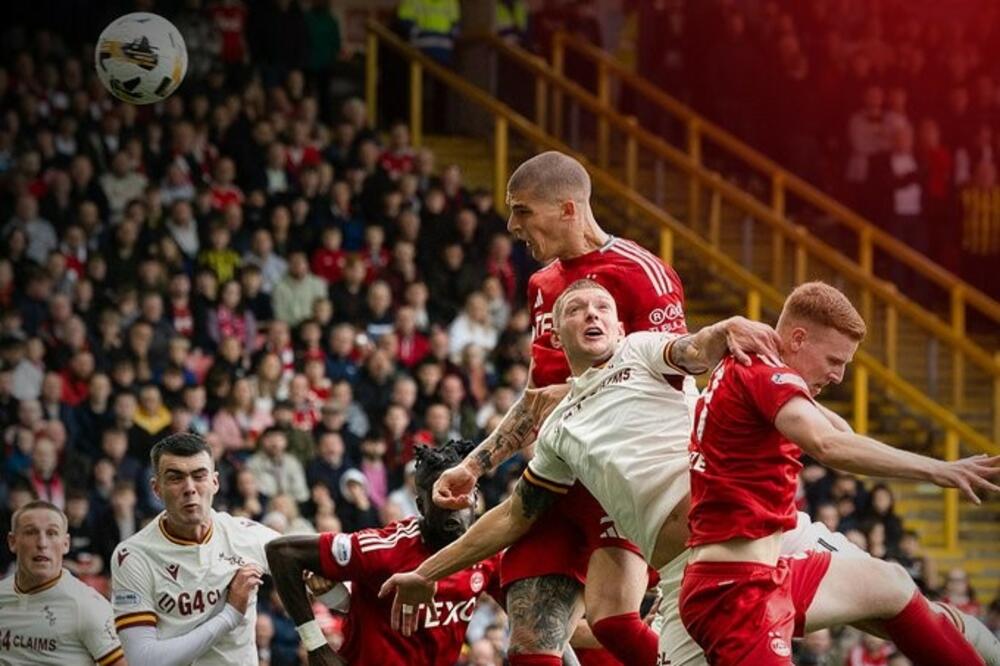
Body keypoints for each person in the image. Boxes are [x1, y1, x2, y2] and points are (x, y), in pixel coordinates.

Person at [382, 280, 1000, 666]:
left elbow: (695, 348)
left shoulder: (641, 354)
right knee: (884, 592)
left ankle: (975, 642)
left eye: (604, 306)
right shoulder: (560, 430)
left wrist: (726, 329)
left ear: (622, 325)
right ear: (555, 330)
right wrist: (424, 571)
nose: (593, 313)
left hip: (768, 537)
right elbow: (513, 517)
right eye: (577, 309)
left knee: (891, 589)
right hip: (694, 578)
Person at [428, 150, 697, 665]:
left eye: (522, 210)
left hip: (619, 482)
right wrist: (475, 465)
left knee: (613, 622)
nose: (512, 226)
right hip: (555, 479)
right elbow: (537, 394)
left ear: (568, 208)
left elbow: (673, 387)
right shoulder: (542, 286)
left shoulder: (642, 273)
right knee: (530, 640)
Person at [680, 281, 999, 665]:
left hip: (769, 574)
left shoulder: (757, 372)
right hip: (733, 594)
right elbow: (829, 446)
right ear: (797, 338)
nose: (840, 376)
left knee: (891, 583)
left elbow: (841, 433)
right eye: (834, 360)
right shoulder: (763, 375)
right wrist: (939, 470)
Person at [265, 439, 502, 665]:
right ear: (421, 505)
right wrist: (316, 646)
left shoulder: (486, 551)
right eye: (443, 497)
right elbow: (282, 552)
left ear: (475, 497)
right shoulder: (382, 548)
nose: (454, 508)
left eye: (462, 493)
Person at [110, 432, 282, 666]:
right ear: (156, 488)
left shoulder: (244, 534)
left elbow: (313, 566)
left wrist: (317, 582)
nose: (189, 488)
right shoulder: (133, 556)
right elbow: (143, 659)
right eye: (175, 478)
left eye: (199, 475)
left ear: (215, 482)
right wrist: (230, 615)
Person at [1, 499, 125, 665]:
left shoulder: (87, 606)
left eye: (52, 533)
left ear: (66, 544)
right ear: (12, 542)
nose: (42, 543)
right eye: (31, 532)